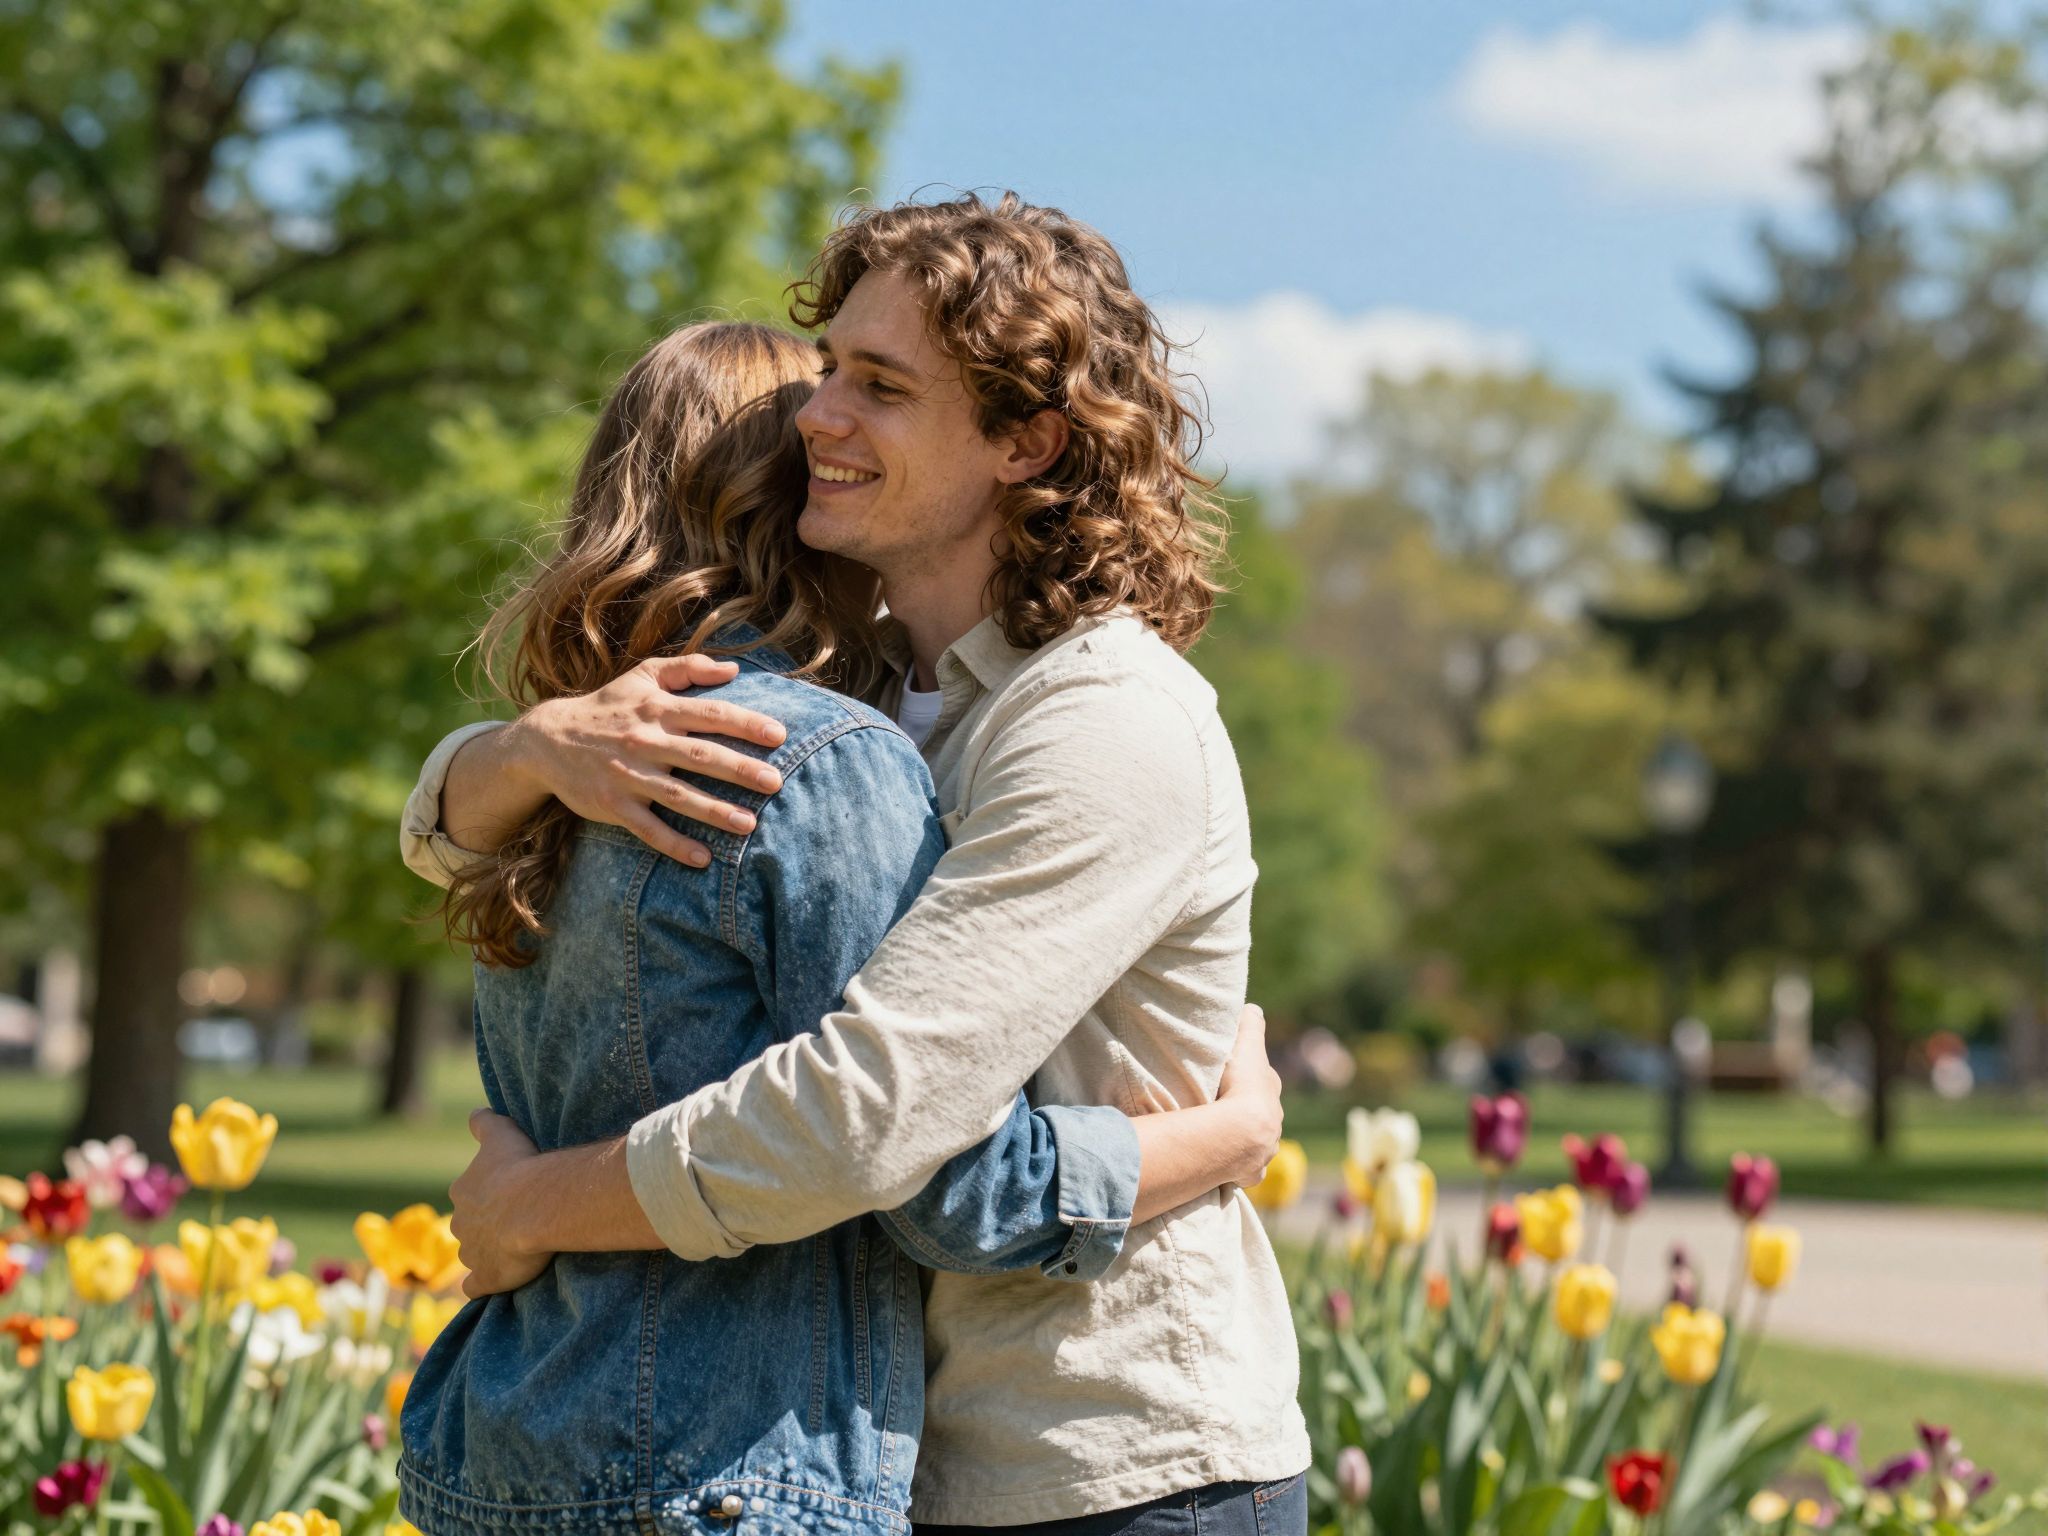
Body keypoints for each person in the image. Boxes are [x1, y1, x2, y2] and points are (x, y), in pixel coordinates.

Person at [404, 193, 1311, 1534]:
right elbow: (450, 846)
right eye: (831, 369)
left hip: (1106, 1471)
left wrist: (540, 1201)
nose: (819, 416)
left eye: (879, 387)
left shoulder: (1104, 717)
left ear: (1027, 441)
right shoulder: (874, 700)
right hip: (896, 1463)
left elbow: (867, 1121)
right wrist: (523, 753)